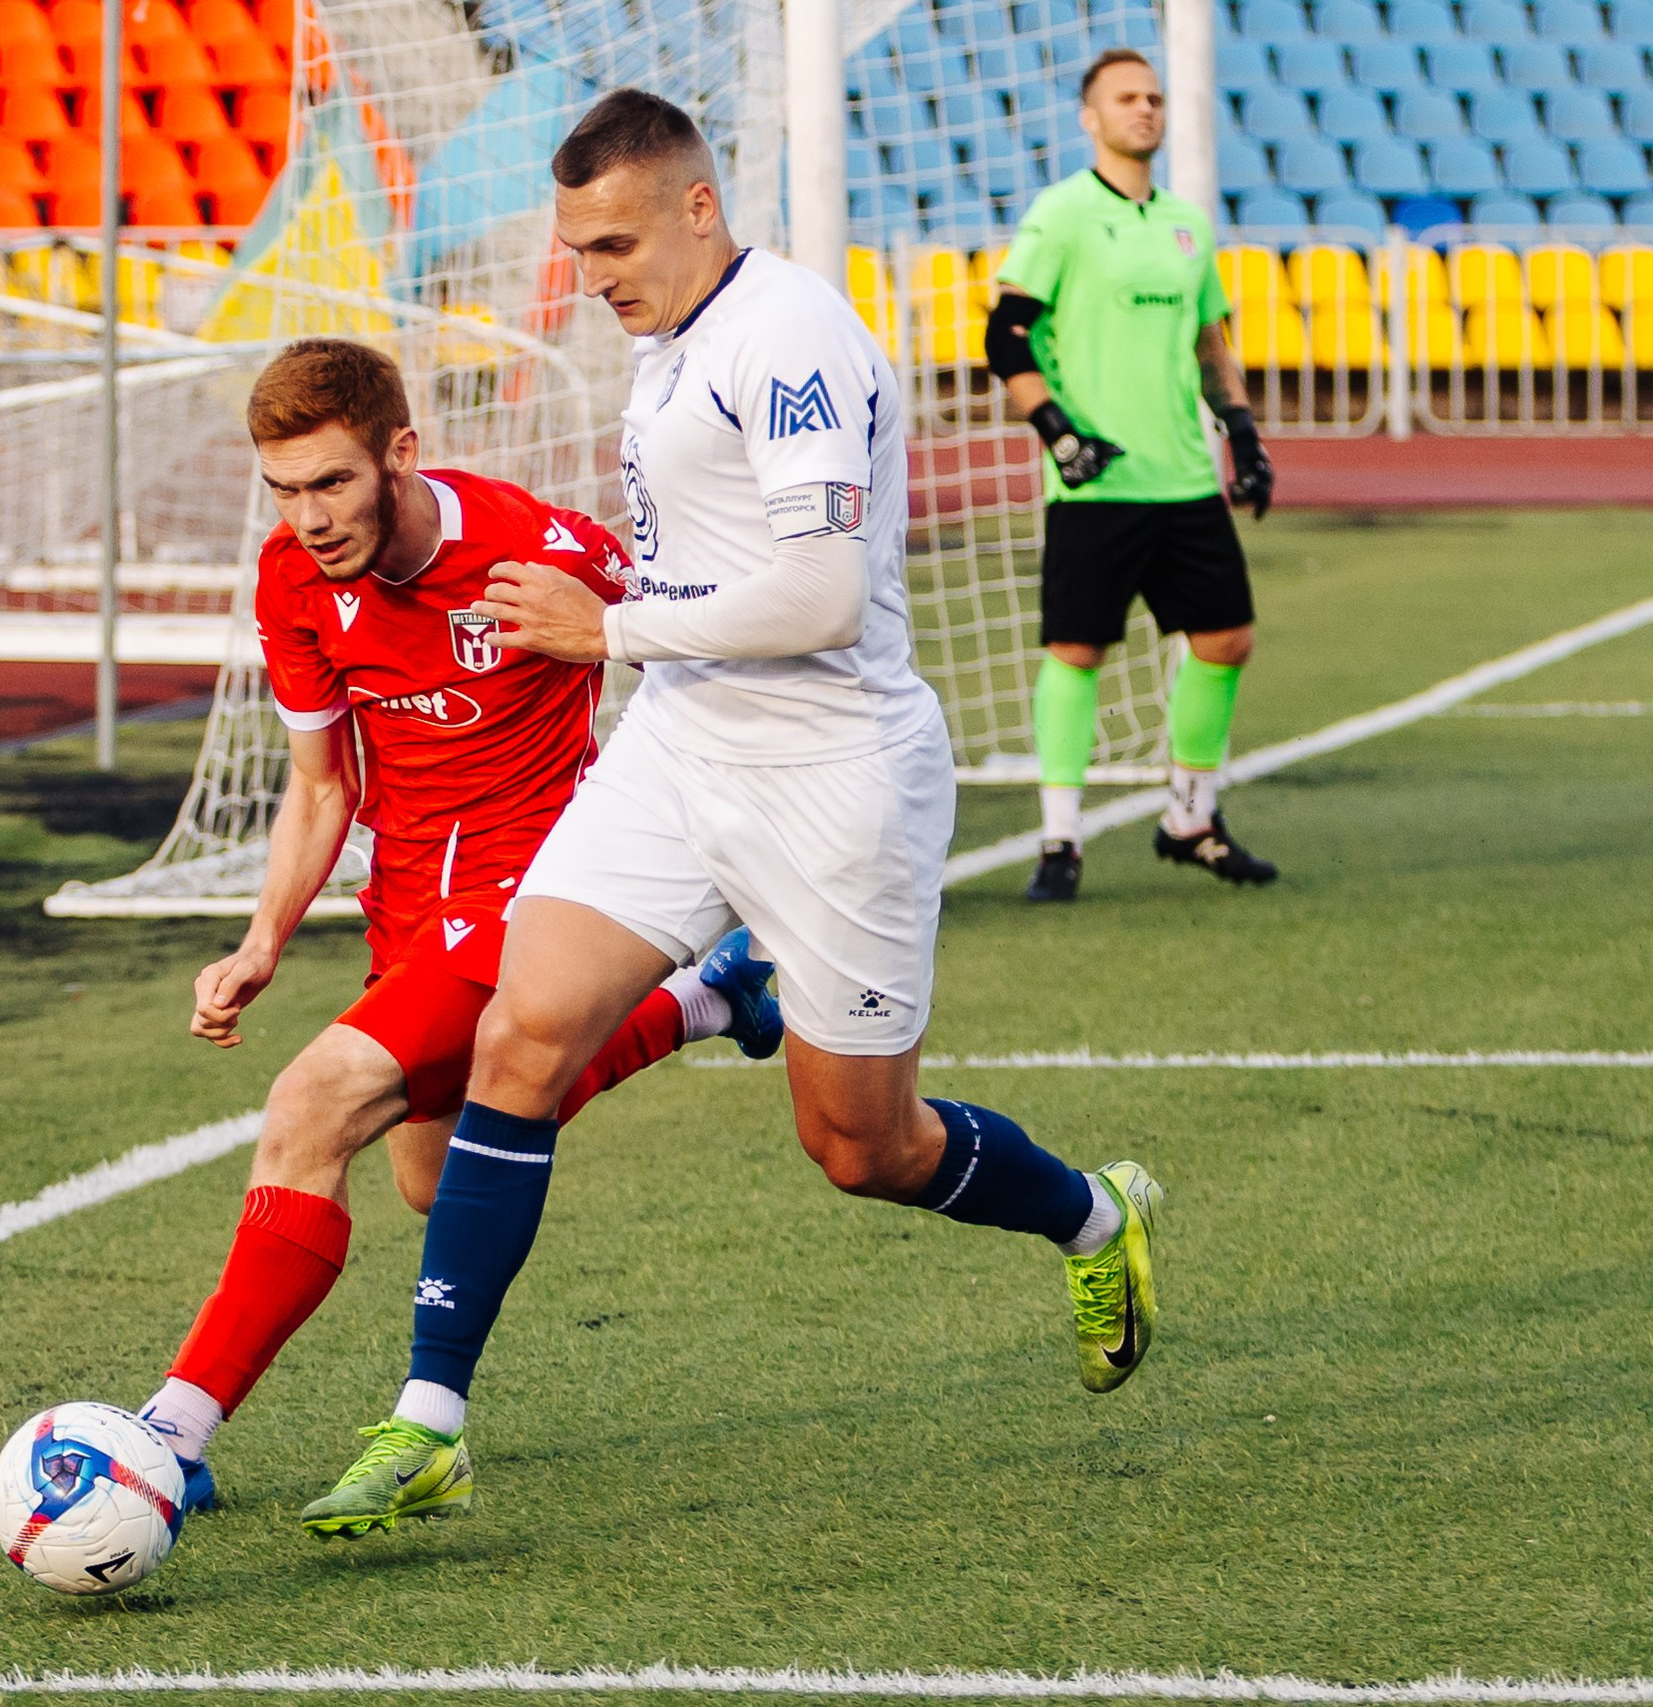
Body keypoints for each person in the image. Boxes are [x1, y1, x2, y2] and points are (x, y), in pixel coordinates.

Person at [297, 91, 1163, 1540]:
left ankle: (1092, 1214)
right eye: (578, 250)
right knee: (518, 1033)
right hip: (682, 749)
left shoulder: (789, 335)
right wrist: (618, 630)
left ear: (702, 207)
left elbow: (823, 594)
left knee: (859, 1146)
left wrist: (612, 623)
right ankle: (430, 1418)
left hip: (832, 782)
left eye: (617, 241)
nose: (595, 275)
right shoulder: (673, 341)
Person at [131, 338, 782, 1517]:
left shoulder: (536, 549)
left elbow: (707, 636)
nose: (308, 517)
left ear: (399, 453)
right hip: (407, 907)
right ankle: (701, 1005)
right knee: (436, 1180)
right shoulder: (291, 580)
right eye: (282, 489)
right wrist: (263, 938)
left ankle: (171, 1433)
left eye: (331, 483)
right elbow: (322, 786)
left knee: (310, 1103)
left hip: (536, 892)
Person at [989, 47, 1280, 905]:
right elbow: (1005, 336)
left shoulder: (1188, 224)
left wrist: (1246, 436)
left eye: (1153, 96)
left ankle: (1190, 817)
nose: (1145, 108)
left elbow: (1209, 342)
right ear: (1091, 117)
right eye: (1126, 98)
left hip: (1183, 477)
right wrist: (1058, 433)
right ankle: (1059, 838)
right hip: (1098, 483)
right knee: (1078, 651)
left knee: (1226, 640)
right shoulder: (1064, 214)